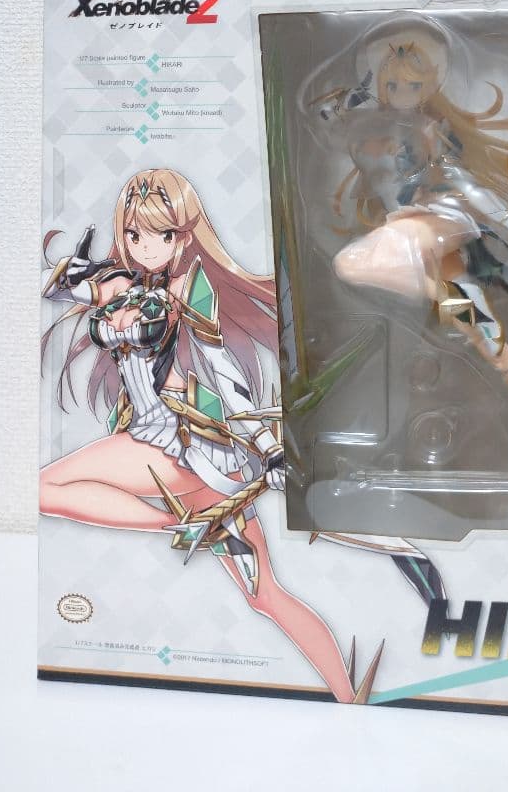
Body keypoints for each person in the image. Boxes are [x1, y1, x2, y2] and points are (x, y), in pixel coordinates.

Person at [41, 167, 377, 702]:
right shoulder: (125, 286)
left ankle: (179, 522)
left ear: (184, 234)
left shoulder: (190, 294)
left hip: (177, 445)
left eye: (160, 233)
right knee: (265, 595)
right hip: (166, 447)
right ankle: (347, 694)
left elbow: (227, 377)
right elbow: (65, 287)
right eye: (134, 233)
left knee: (41, 487)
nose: (145, 246)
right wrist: (75, 273)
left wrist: (270, 450)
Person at [316, 16, 508, 513]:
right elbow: (325, 118)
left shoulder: (428, 131)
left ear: (430, 86)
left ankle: (446, 300)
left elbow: (465, 184)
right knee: (499, 355)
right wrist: (360, 92)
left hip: (435, 224)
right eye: (393, 84)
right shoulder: (365, 126)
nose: (402, 93)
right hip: (418, 243)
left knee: (355, 260)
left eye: (413, 85)